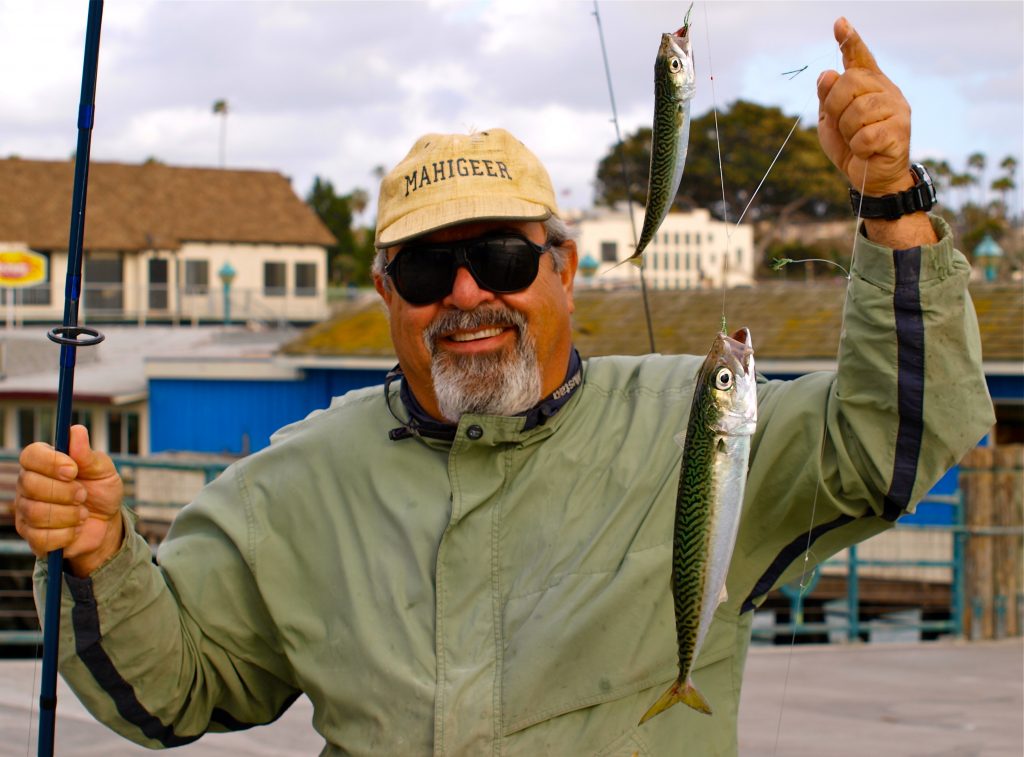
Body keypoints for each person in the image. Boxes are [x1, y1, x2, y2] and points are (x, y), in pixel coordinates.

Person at [15, 18, 993, 756]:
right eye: (427, 270)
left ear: (563, 270)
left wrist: (893, 205)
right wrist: (103, 563)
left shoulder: (699, 416)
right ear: (387, 293)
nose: (468, 293)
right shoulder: (291, 484)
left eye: (499, 255)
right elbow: (171, 692)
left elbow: (891, 443)